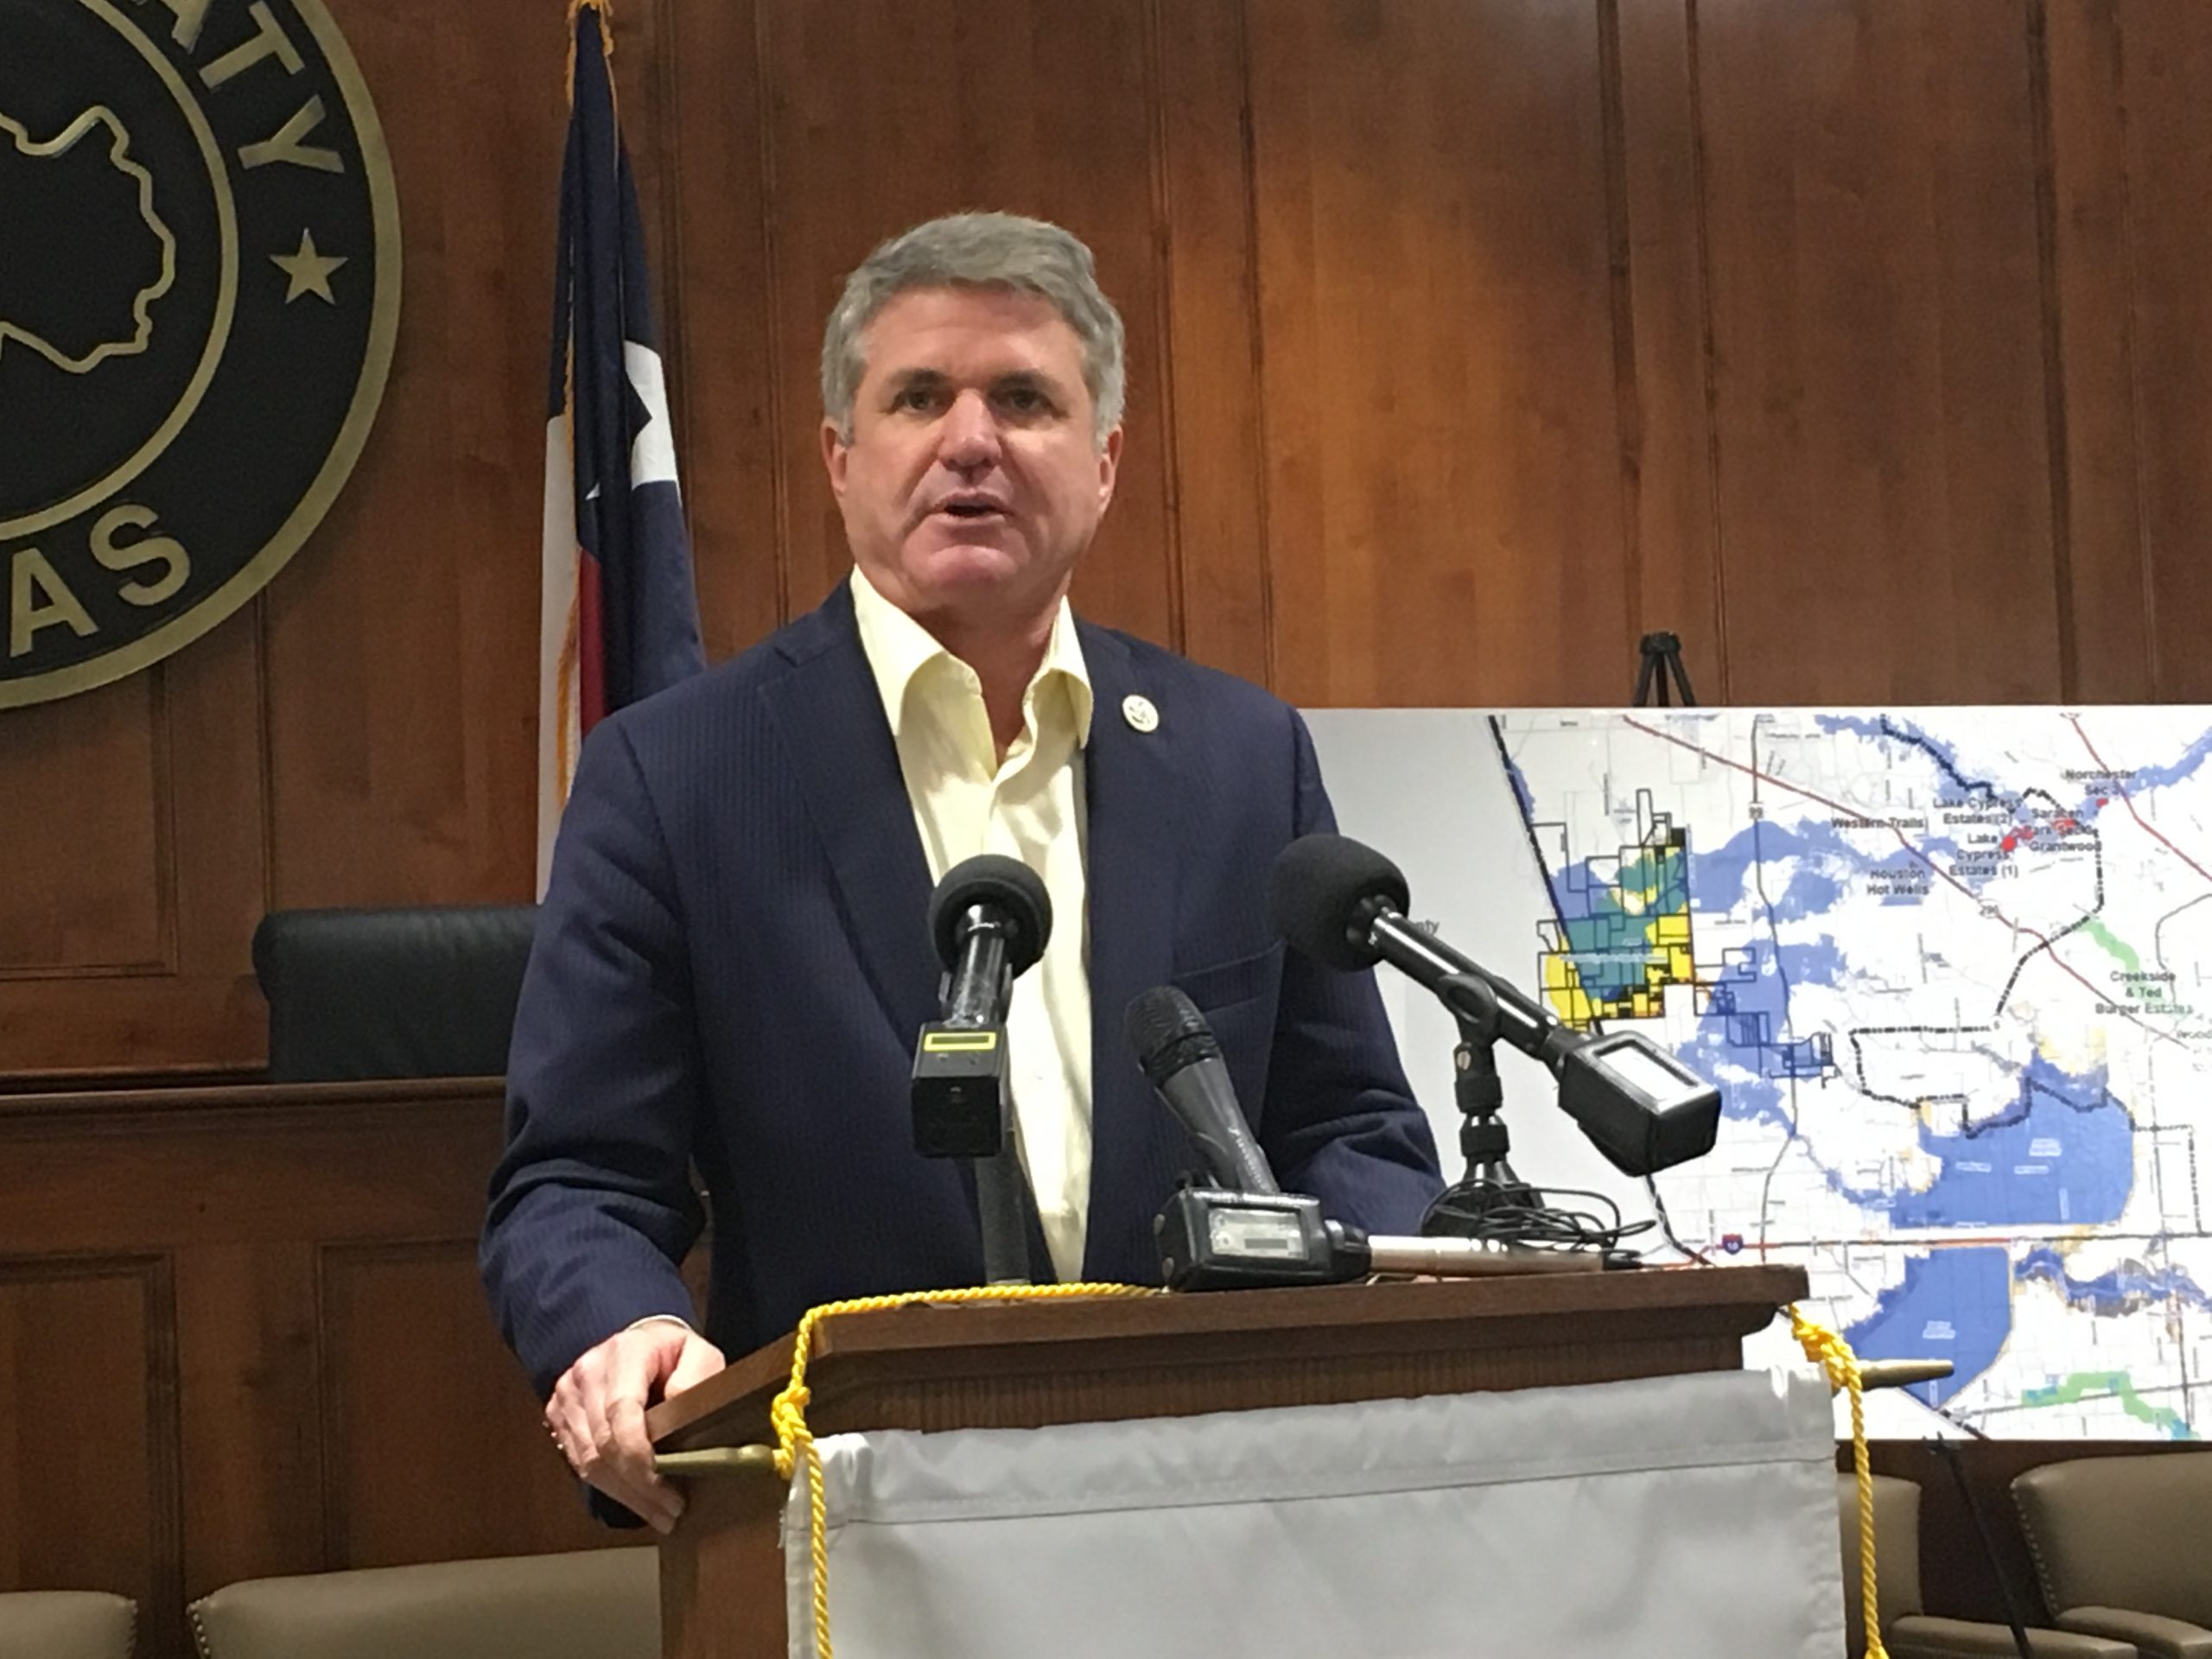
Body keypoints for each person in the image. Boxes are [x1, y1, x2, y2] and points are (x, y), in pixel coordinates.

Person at [481, 213, 1441, 1531]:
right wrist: (623, 1330)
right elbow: (576, 1182)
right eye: (920, 396)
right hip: (856, 1516)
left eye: (1026, 400)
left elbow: (1349, 1127)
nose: (971, 440)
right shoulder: (679, 776)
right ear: (841, 457)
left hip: (1226, 1501)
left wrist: (1377, 1305)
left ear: (1104, 465)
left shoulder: (1242, 758)